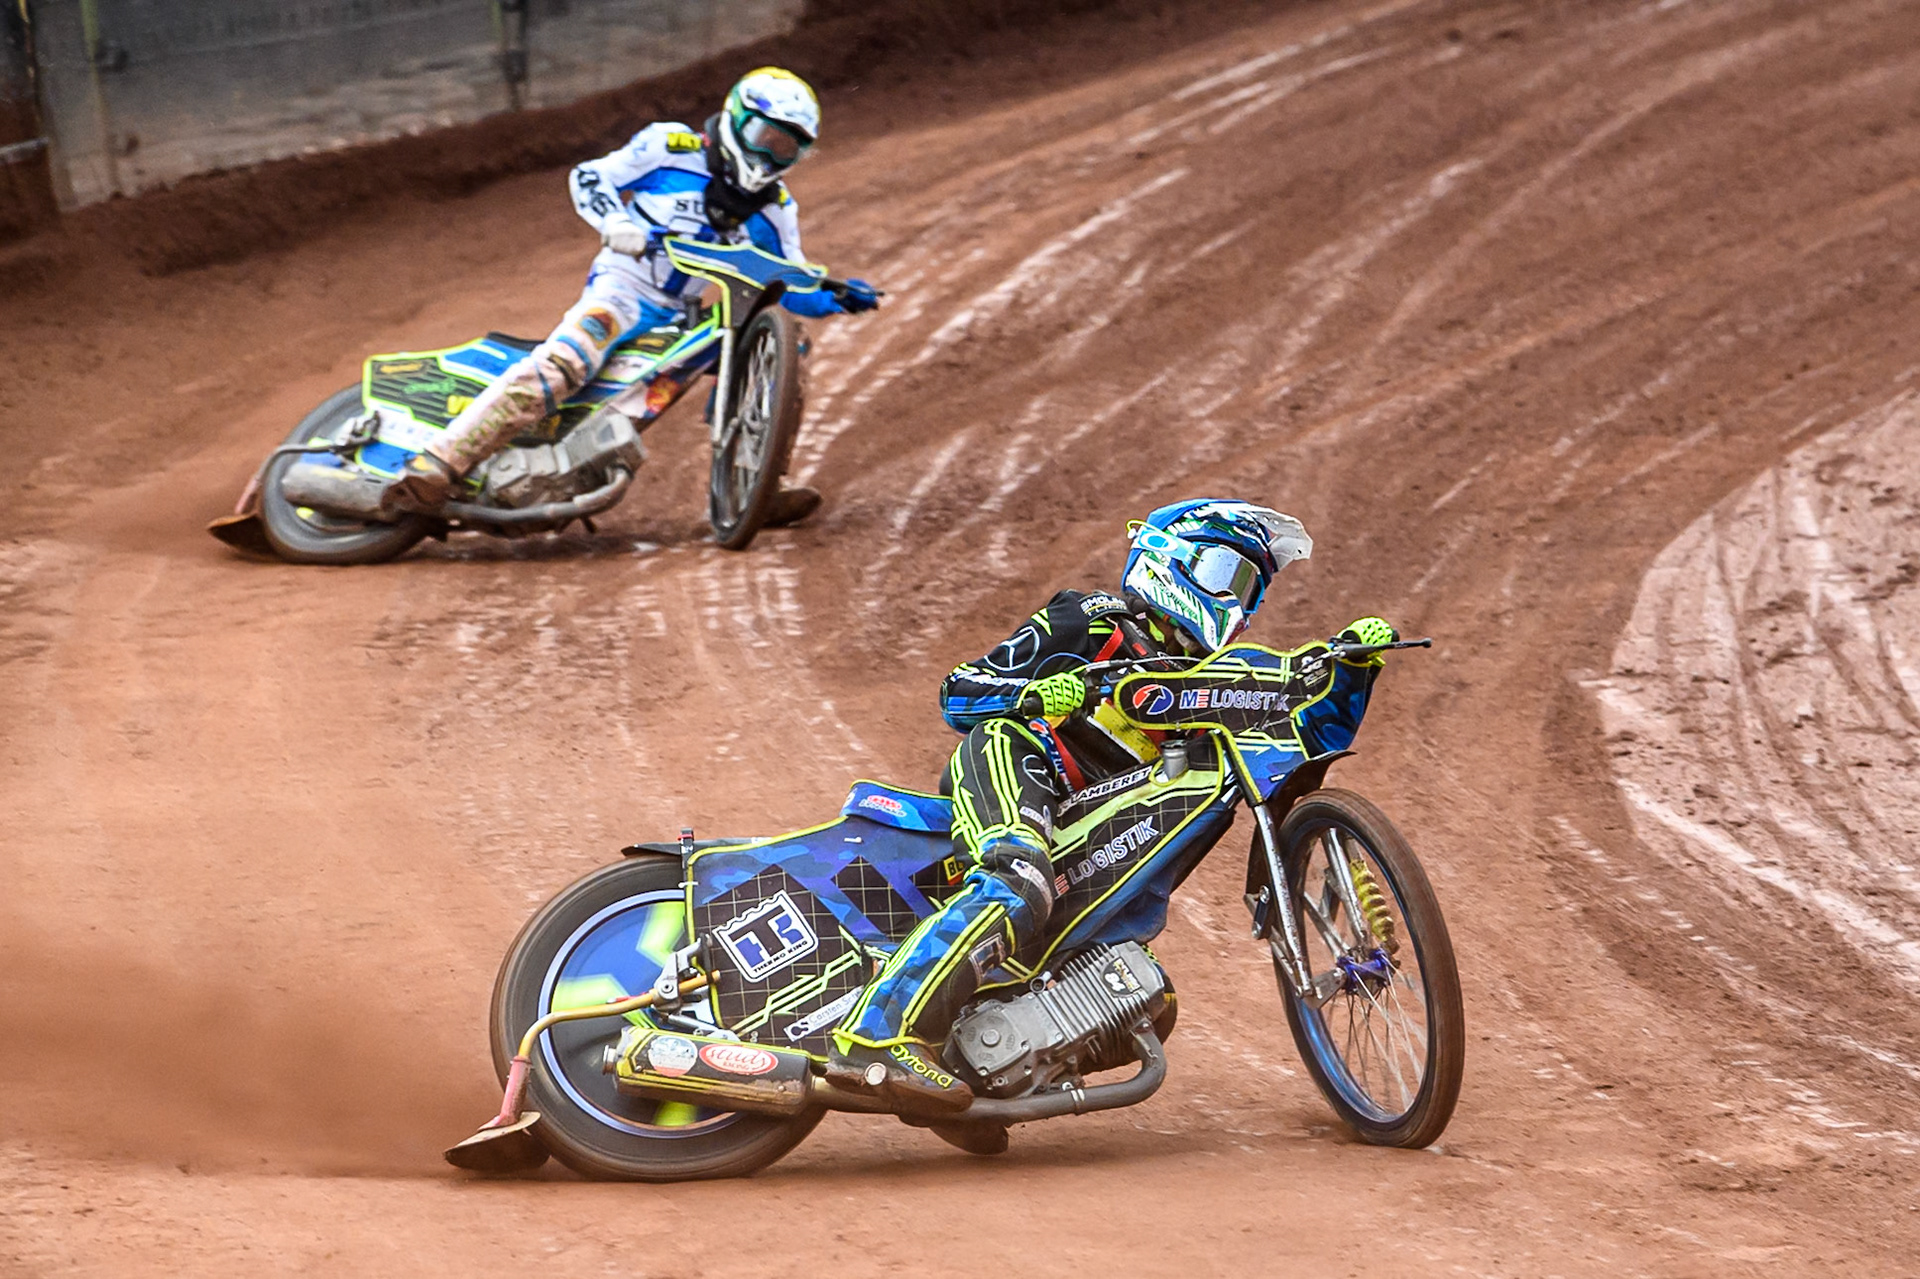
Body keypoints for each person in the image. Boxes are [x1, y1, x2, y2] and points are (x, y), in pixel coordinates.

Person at [827, 498, 1399, 1112]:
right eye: (1228, 577)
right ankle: (869, 1039)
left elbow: (1302, 742)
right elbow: (958, 693)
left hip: (1087, 830)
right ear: (1175, 562)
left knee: (1143, 997)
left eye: (1252, 590)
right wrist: (1036, 692)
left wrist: (1347, 670)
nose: (1239, 602)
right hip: (1019, 759)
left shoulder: (1212, 682)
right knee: (1018, 884)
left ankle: (977, 1077)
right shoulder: (1094, 621)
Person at [382, 66, 878, 518]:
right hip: (620, 293)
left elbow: (785, 282)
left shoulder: (775, 208)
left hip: (682, 319)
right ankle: (438, 465)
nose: (770, 155)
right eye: (765, 137)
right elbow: (591, 176)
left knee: (784, 349)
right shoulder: (669, 147)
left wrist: (834, 295)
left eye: (787, 149)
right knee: (566, 362)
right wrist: (614, 220)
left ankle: (758, 485)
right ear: (735, 117)